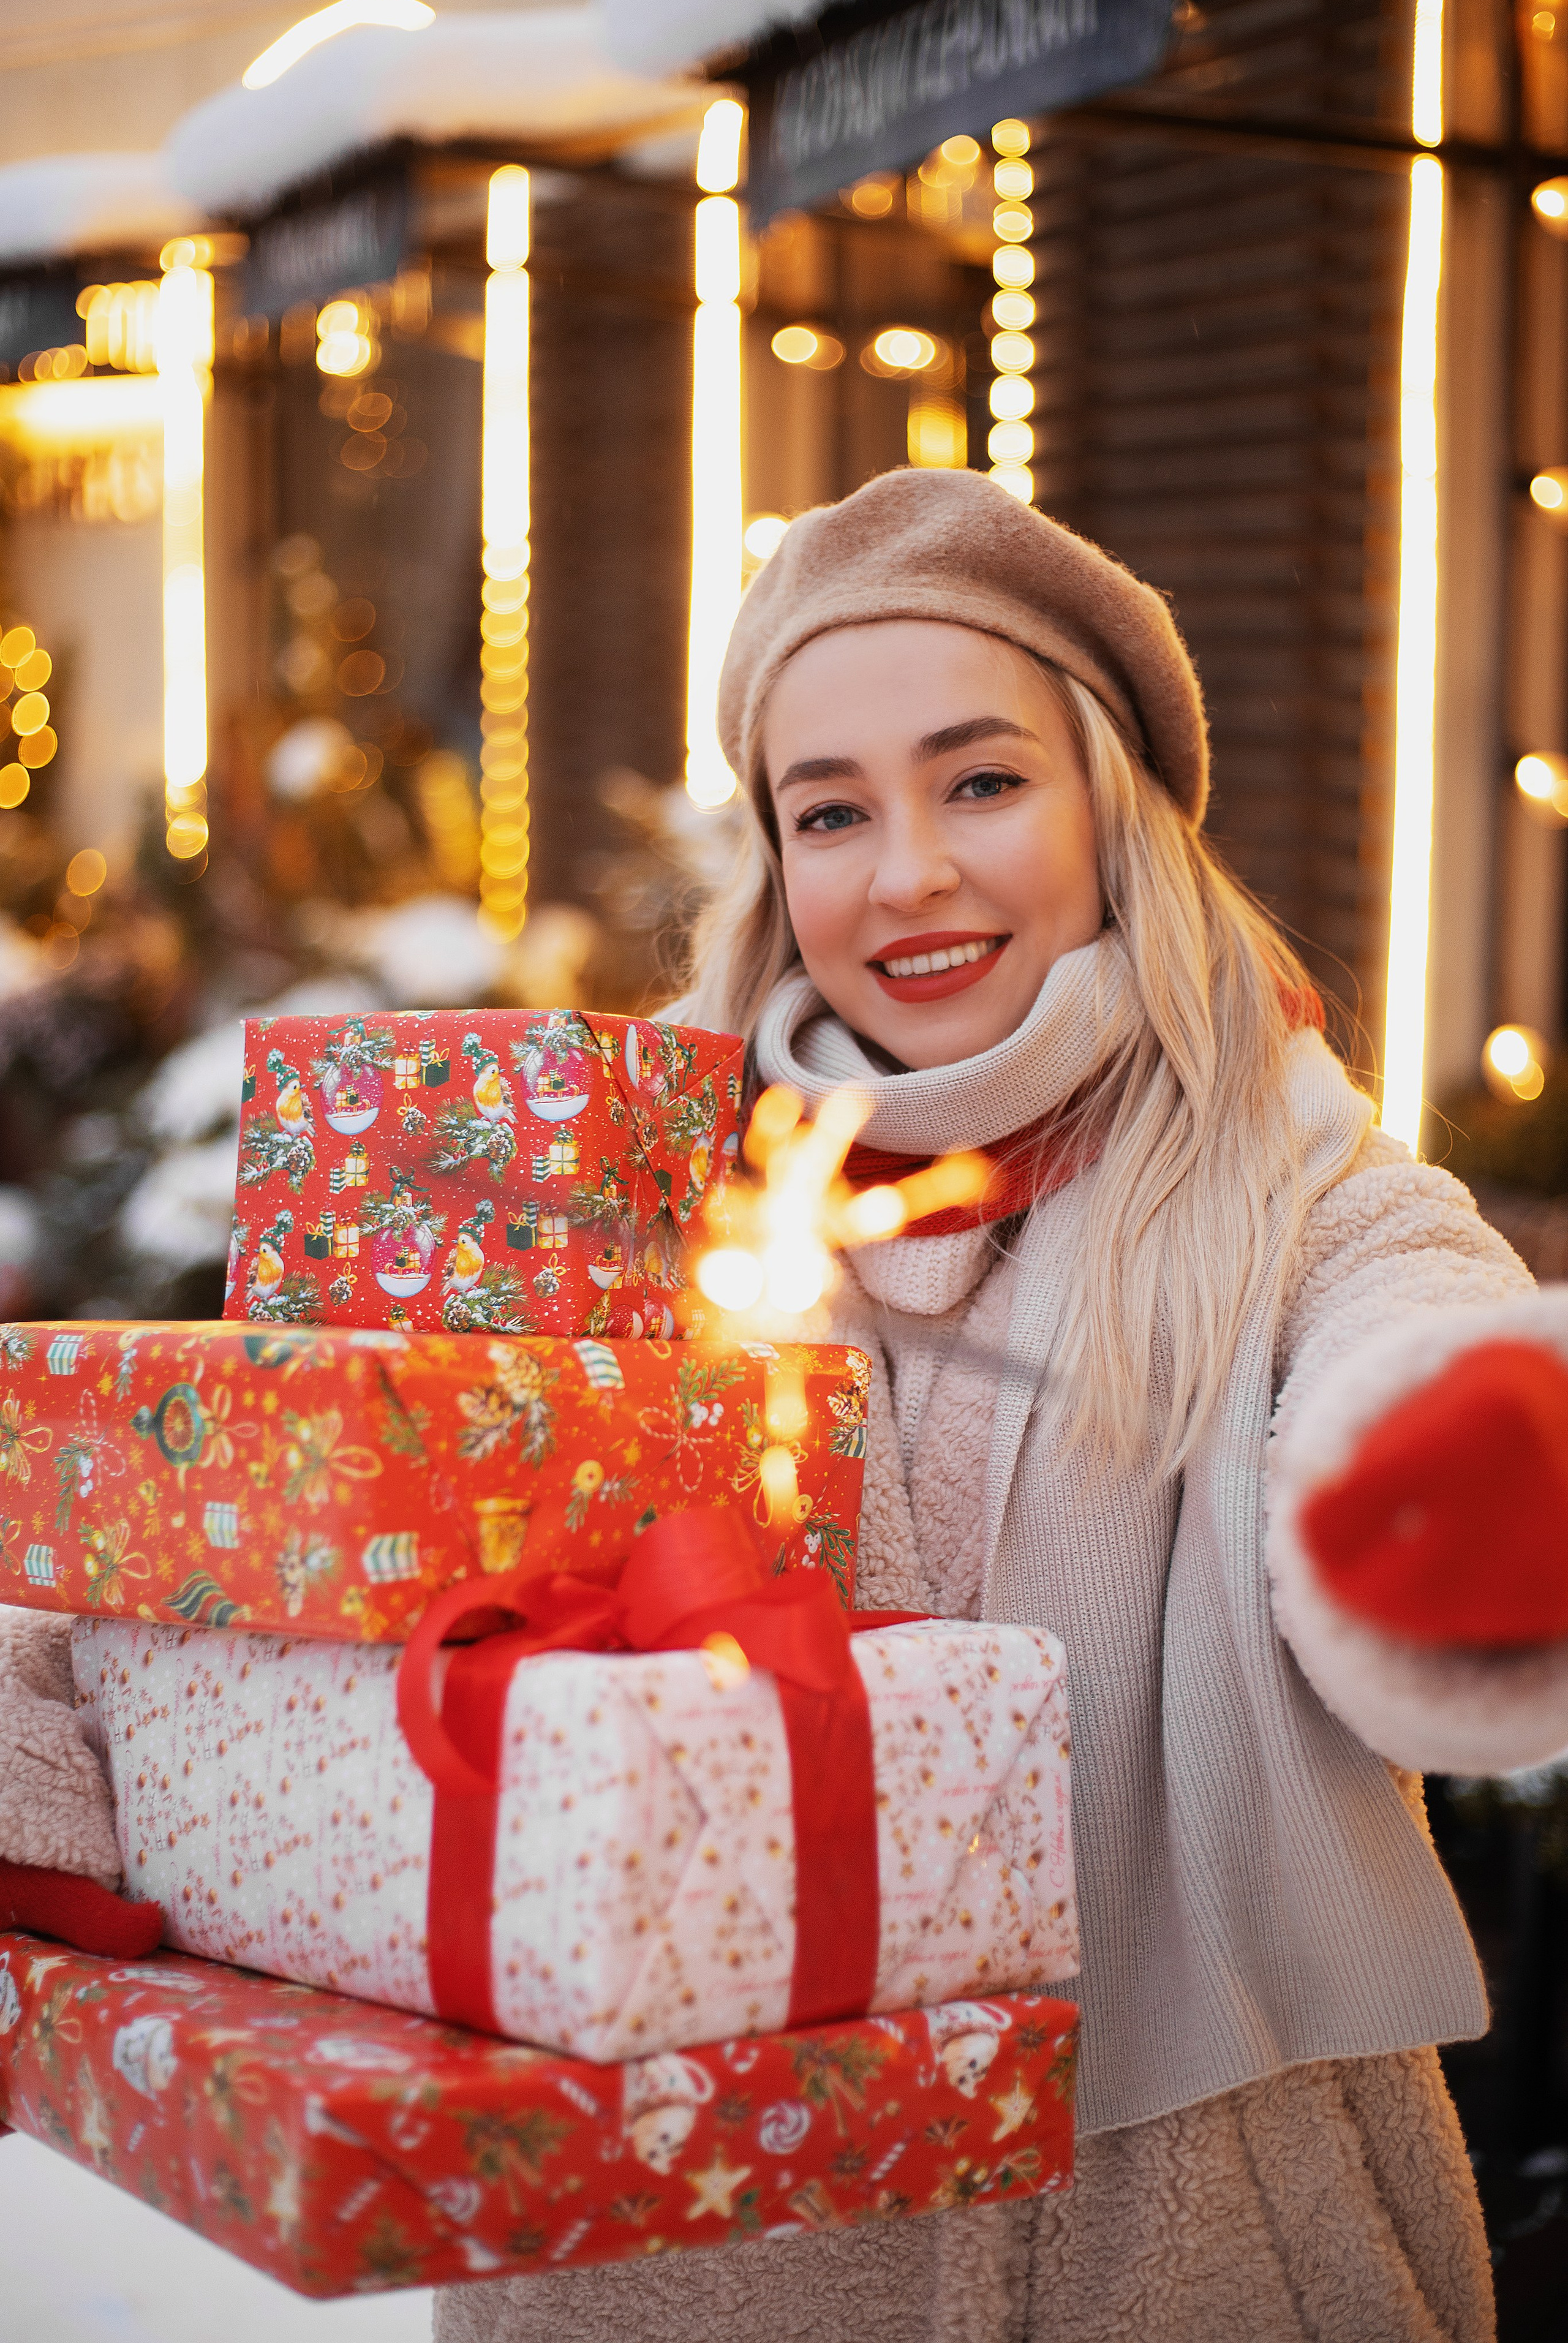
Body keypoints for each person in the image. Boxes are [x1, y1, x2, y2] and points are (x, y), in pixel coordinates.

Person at [437, 467, 1568, 2343]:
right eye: (831, 810)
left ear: (1114, 799)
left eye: (982, 779)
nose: (909, 875)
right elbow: (335, 1539)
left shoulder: (1316, 1209)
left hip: (1162, 2240)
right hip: (683, 2248)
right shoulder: (628, 1202)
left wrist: (1467, 1484)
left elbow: (1412, 1371)